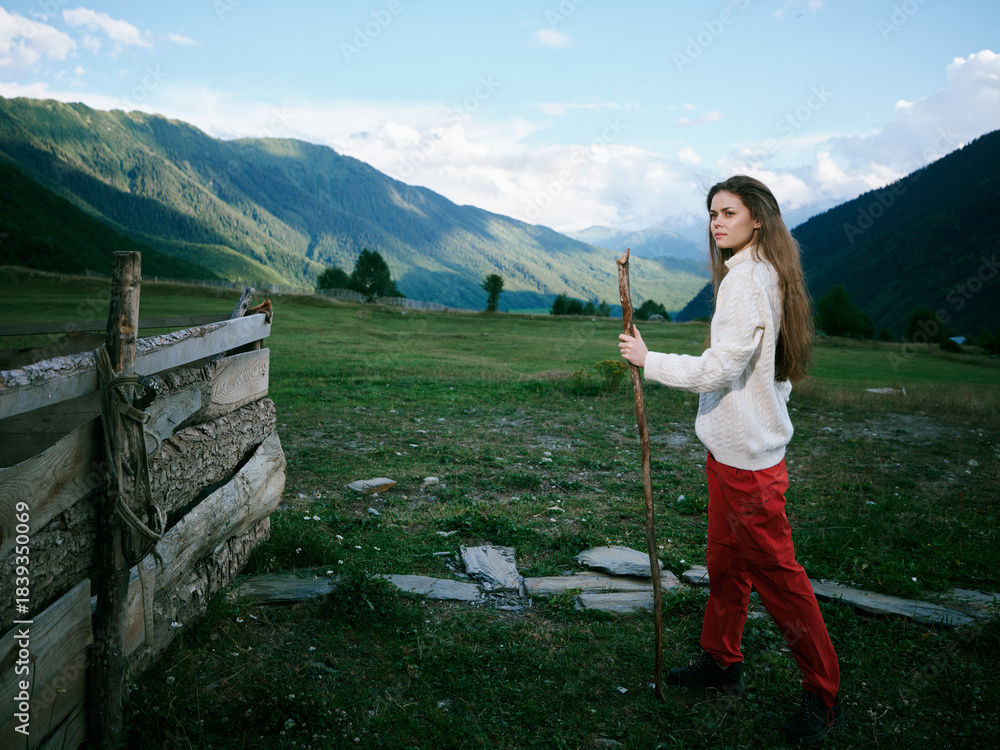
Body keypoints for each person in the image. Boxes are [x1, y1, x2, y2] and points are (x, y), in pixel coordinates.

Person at [618, 175, 843, 744]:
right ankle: (722, 662)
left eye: (729, 212)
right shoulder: (764, 272)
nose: (717, 222)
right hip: (730, 455)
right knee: (725, 565)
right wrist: (762, 416)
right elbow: (778, 371)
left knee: (781, 581)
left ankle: (821, 693)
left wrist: (649, 360)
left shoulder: (747, 281)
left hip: (749, 467)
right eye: (712, 213)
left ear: (757, 219)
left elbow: (720, 368)